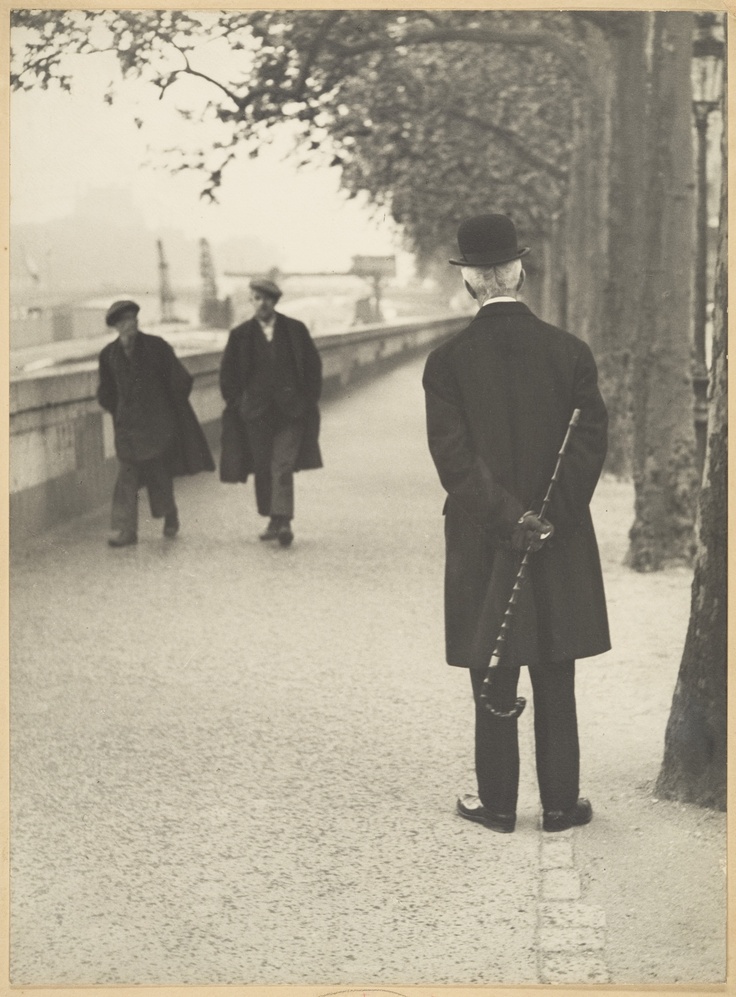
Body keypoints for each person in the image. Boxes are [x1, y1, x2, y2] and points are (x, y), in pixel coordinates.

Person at [422, 214, 610, 834]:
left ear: (472, 281)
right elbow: (588, 446)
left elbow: (454, 462)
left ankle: (498, 804)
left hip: (483, 534)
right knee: (557, 668)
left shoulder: (446, 362)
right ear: (519, 272)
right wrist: (547, 519)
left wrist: (511, 519)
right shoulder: (571, 353)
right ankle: (561, 805)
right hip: (560, 536)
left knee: (493, 669)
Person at [97, 299, 215, 547]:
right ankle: (124, 530)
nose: (131, 325)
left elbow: (182, 380)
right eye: (125, 321)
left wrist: (167, 411)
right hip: (127, 429)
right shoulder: (108, 356)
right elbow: (105, 392)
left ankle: (169, 514)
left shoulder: (156, 347)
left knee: (158, 474)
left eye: (134, 320)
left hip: (156, 427)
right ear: (117, 326)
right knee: (126, 477)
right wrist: (118, 411)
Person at [219, 278, 323, 546]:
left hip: (290, 412)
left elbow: (313, 367)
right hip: (256, 414)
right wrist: (238, 405)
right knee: (263, 467)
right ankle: (273, 518)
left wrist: (306, 402)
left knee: (283, 465)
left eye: (266, 298)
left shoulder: (295, 330)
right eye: (256, 298)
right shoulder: (240, 335)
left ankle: (284, 521)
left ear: (275, 301)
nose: (261, 303)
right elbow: (227, 376)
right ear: (251, 301)